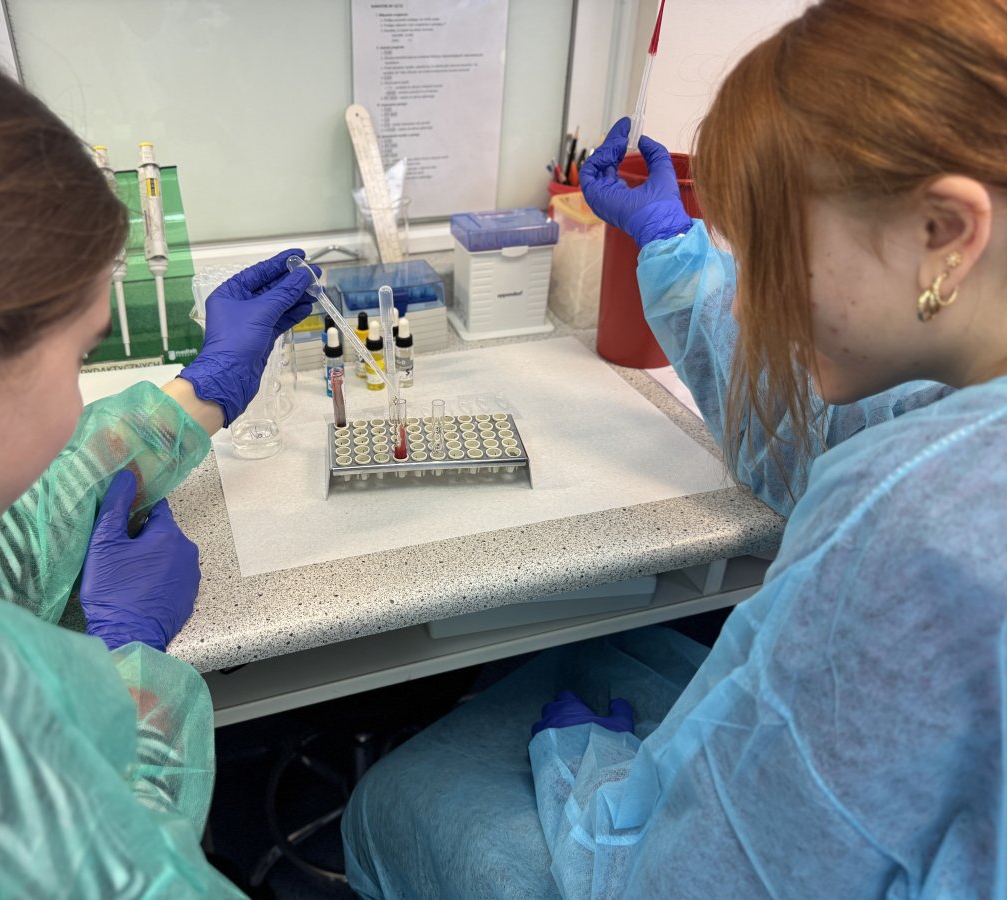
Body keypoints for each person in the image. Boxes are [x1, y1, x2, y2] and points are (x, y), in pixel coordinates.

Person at [341, 0, 1007, 896]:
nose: (748, 302)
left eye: (773, 255)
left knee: (398, 796)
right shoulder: (955, 420)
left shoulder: (917, 522)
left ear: (946, 232)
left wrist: (583, 783)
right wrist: (672, 247)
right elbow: (803, 447)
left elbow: (703, 879)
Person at [0, 1, 316, 896]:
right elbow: (128, 872)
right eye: (79, 356)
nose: (76, 392)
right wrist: (132, 662)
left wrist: (205, 389)